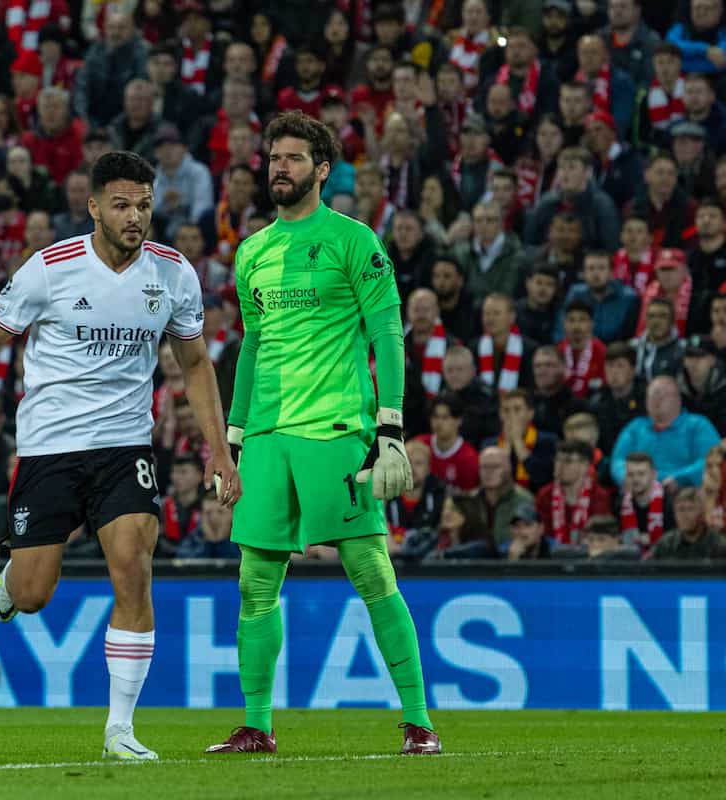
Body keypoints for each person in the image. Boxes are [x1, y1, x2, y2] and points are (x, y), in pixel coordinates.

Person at [0, 151, 238, 761]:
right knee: (32, 595)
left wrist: (219, 449)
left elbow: (193, 363)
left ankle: (120, 730)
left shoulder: (173, 273)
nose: (135, 217)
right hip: (50, 448)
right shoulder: (50, 269)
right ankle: (12, 578)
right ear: (93, 207)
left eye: (144, 205)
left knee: (133, 565)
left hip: (125, 446)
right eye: (122, 205)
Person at [202, 112, 437, 756]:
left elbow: (387, 332)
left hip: (335, 430)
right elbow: (250, 349)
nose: (281, 167)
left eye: (295, 159)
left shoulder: (354, 241)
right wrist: (233, 439)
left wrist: (389, 426)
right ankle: (257, 725)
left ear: (323, 168)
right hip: (269, 437)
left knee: (369, 570)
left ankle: (419, 721)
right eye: (274, 158)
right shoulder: (252, 251)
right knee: (254, 582)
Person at [610, 375, 720, 488]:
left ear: (678, 399)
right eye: (651, 396)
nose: (655, 401)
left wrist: (679, 478)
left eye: (662, 396)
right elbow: (618, 460)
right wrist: (625, 477)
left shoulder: (698, 425)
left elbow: (711, 459)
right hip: (639, 491)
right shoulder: (636, 427)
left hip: (683, 494)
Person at [536, 439, 612, 546]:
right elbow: (542, 535)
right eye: (557, 460)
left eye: (568, 461)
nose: (560, 466)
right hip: (552, 558)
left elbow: (601, 537)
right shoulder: (545, 495)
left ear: (584, 466)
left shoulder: (599, 496)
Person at [648, 487, 726, 559]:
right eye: (680, 510)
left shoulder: (719, 546)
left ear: (701, 512)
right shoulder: (665, 544)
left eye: (690, 509)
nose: (685, 515)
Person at [416, 394, 479, 492]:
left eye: (445, 417)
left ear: (459, 420)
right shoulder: (419, 445)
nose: (439, 422)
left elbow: (469, 498)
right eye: (435, 417)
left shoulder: (469, 458)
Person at [619, 452, 676, 554]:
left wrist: (651, 540)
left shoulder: (670, 504)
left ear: (654, 475)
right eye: (630, 474)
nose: (635, 479)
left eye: (641, 474)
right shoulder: (619, 504)